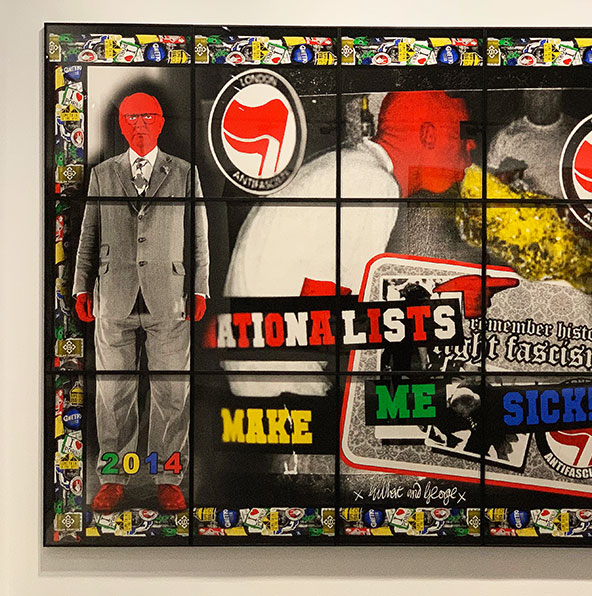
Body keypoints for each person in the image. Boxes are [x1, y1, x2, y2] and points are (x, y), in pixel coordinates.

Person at [222, 91, 476, 395]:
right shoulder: (371, 182)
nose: (471, 146)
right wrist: (434, 320)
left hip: (267, 366)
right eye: (462, 134)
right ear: (428, 135)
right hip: (282, 384)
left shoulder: (354, 167)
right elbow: (332, 320)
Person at [72, 92, 210, 513]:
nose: (140, 124)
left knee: (172, 390)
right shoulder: (102, 174)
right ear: (121, 124)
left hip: (170, 297)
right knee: (113, 392)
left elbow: (198, 235)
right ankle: (113, 479)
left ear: (161, 122)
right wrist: (81, 287)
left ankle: (168, 479)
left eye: (148, 116)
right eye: (131, 117)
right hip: (113, 297)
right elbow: (89, 234)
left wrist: (200, 288)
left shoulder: (184, 173)